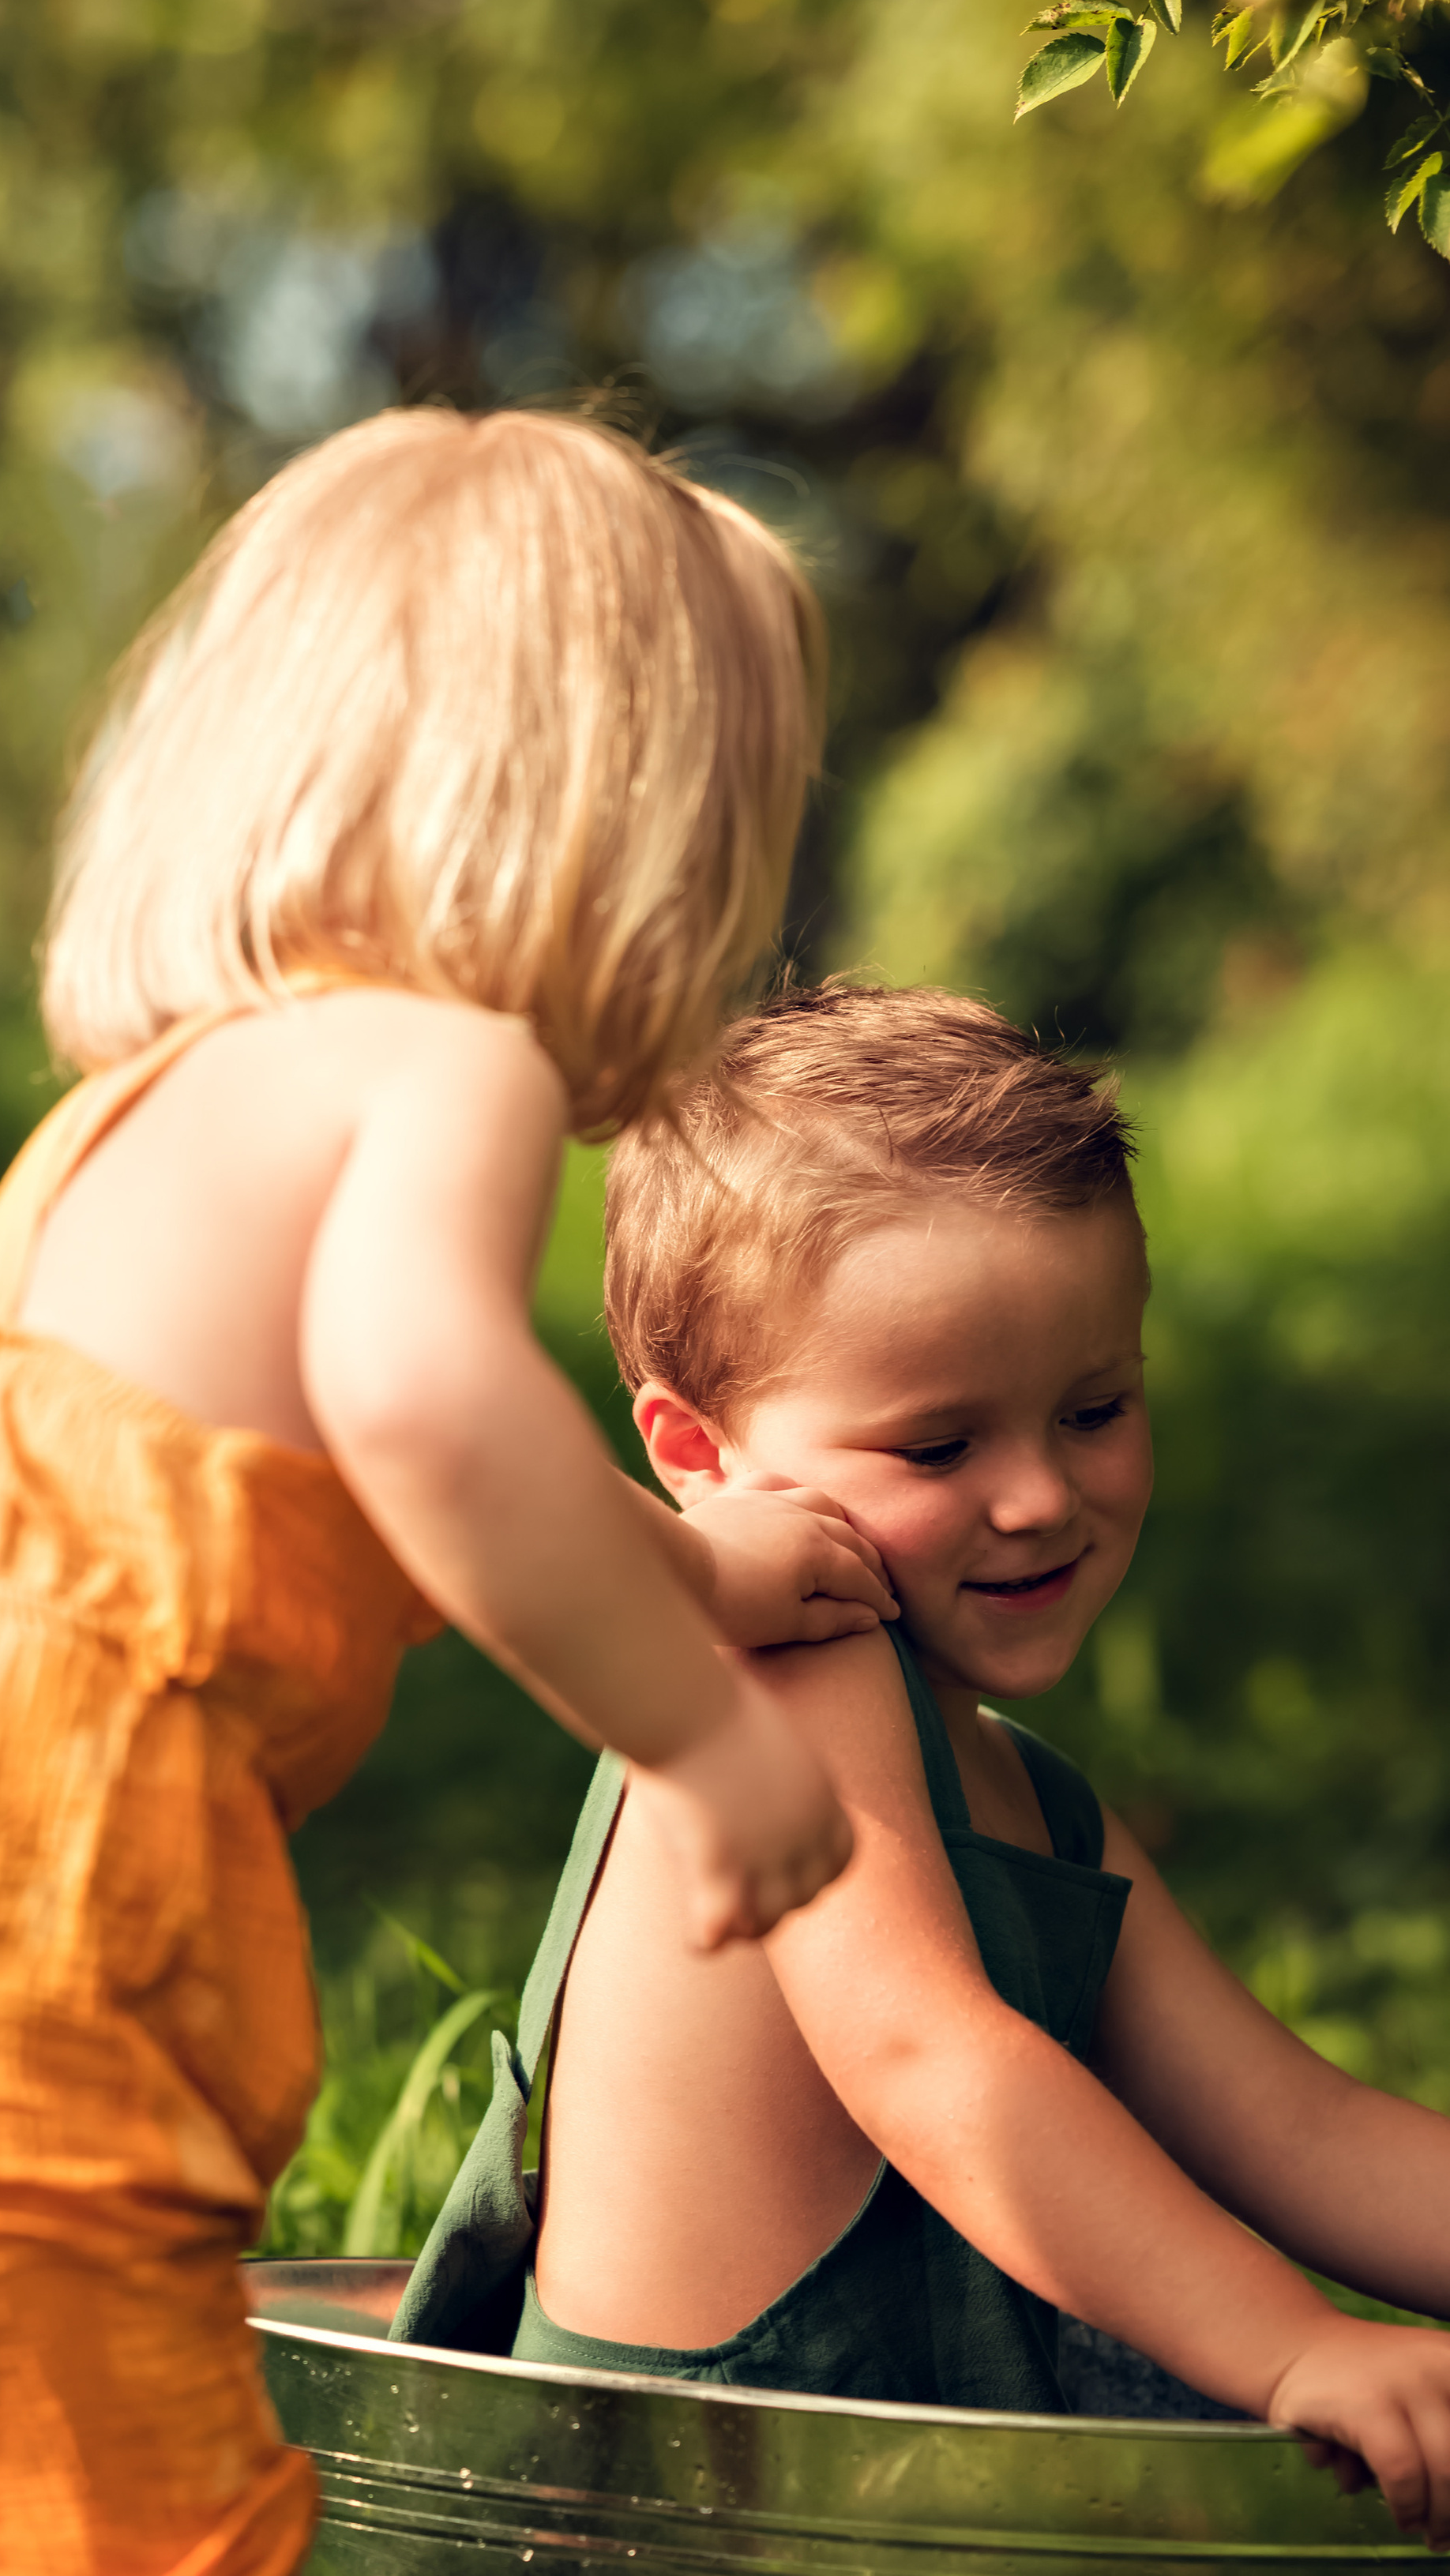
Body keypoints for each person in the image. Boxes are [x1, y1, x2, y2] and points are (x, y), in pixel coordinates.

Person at [0, 410, 875, 2576]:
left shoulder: (154, 1120)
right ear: (624, 818)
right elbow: (431, 1405)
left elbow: (372, 1478)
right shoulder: (451, 1062)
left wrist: (706, 1571)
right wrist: (700, 1735)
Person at [399, 981, 1450, 2553]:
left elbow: (1293, 2132)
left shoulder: (1028, 1799)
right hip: (693, 2521)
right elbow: (929, 2064)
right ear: (698, 1459)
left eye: (1092, 1410)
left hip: (899, 2505)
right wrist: (1295, 2347)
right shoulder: (780, 1679)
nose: (1034, 1498)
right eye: (936, 1447)